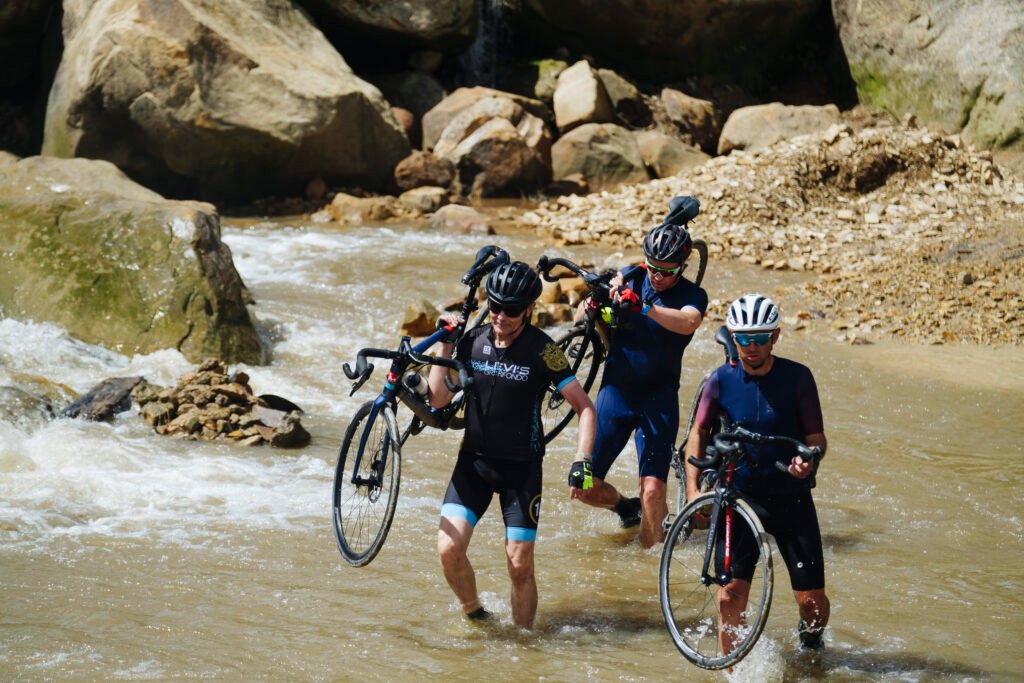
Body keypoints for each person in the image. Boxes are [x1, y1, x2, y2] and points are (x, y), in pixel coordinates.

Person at [428, 260, 596, 629]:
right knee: (448, 549)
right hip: (473, 464)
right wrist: (443, 346)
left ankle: (524, 644)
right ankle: (475, 613)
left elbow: (584, 408)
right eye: (495, 306)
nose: (501, 316)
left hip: (521, 470)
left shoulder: (545, 350)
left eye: (511, 309)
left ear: (530, 309)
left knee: (519, 567)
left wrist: (582, 460)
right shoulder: (471, 340)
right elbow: (438, 400)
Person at [684, 293, 830, 652]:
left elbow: (816, 439)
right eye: (744, 339)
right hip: (738, 500)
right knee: (728, 599)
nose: (751, 347)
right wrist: (692, 492)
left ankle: (810, 641)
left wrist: (808, 460)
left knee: (812, 604)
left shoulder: (799, 379)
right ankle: (734, 672)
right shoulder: (719, 381)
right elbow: (698, 433)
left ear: (775, 337)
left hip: (791, 499)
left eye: (760, 338)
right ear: (733, 337)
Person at [569, 210, 708, 548]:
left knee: (653, 489)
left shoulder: (692, 296)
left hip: (658, 400)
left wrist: (644, 307)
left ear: (682, 267)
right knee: (582, 487)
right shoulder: (629, 276)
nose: (657, 276)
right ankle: (623, 507)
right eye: (652, 267)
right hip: (616, 393)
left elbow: (688, 323)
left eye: (667, 271)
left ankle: (652, 567)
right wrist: (594, 305)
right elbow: (580, 316)